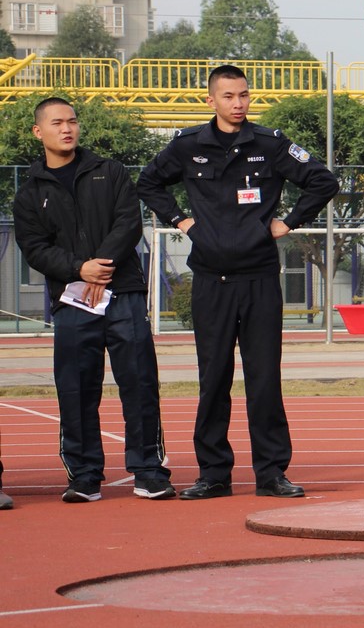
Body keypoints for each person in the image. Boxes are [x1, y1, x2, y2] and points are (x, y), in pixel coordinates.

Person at [137, 64, 338, 500]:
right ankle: (213, 474)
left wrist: (289, 221)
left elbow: (323, 181)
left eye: (244, 95)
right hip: (211, 280)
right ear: (211, 101)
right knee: (214, 380)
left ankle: (271, 473)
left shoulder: (270, 144)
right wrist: (181, 220)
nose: (238, 104)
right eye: (229, 96)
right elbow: (148, 183)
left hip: (260, 279)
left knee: (264, 378)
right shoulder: (188, 146)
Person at [13, 97, 173, 503]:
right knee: (76, 388)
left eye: (72, 121)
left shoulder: (111, 171)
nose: (66, 128)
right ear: (39, 132)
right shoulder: (30, 193)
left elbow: (128, 223)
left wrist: (100, 267)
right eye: (56, 123)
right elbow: (34, 247)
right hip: (72, 299)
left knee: (139, 382)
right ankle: (84, 475)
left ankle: (149, 471)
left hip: (124, 294)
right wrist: (78, 269)